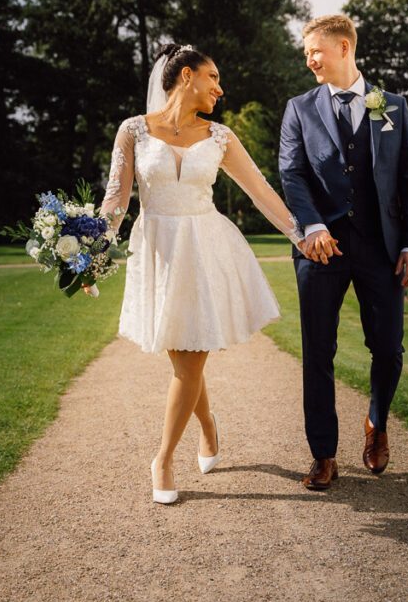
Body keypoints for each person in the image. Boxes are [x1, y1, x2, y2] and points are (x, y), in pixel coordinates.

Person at [99, 43, 306, 505]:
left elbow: (260, 192)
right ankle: (208, 424)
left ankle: (163, 458)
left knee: (190, 358)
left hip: (204, 247)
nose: (221, 88)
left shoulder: (221, 137)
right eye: (214, 78)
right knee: (184, 358)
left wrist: (301, 235)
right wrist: (88, 252)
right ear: (187, 75)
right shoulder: (133, 130)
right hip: (158, 249)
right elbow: (117, 199)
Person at [278, 14, 408, 490]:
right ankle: (323, 454)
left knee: (388, 348)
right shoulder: (299, 108)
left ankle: (376, 423)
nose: (309, 60)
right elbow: (292, 174)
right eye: (306, 53)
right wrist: (313, 226)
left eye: (314, 51)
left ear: (343, 47)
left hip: (381, 247)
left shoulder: (393, 109)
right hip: (321, 249)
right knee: (318, 352)